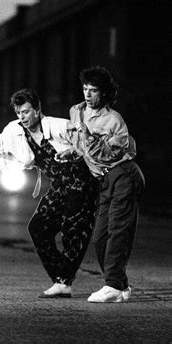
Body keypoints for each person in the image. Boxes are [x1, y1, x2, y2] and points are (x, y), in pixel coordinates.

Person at [0, 89, 98, 298]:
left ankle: (63, 282)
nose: (22, 117)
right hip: (59, 186)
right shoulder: (17, 132)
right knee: (38, 227)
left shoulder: (59, 126)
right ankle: (61, 278)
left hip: (82, 183)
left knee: (73, 229)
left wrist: (74, 151)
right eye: (19, 112)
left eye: (26, 112)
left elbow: (88, 142)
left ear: (37, 111)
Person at [58, 66, 145, 303]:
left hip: (123, 174)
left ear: (104, 93)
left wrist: (87, 135)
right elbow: (81, 148)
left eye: (93, 90)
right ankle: (121, 285)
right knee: (100, 237)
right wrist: (70, 153)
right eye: (85, 89)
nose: (87, 95)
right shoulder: (76, 111)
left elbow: (107, 154)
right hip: (104, 179)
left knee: (118, 231)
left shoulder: (114, 120)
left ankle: (113, 285)